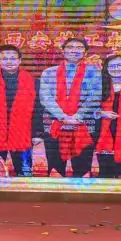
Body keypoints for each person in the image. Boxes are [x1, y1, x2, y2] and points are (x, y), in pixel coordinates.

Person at [0, 45, 42, 176]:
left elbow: (37, 110)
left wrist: (37, 134)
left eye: (13, 58)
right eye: (4, 59)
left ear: (20, 60)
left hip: (22, 134)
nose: (9, 62)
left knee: (25, 174)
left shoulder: (33, 82)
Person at [39, 37, 101, 177]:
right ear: (63, 51)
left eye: (79, 48)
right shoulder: (49, 72)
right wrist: (63, 117)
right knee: (55, 170)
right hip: (54, 126)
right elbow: (45, 97)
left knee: (83, 171)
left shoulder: (94, 72)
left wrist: (78, 116)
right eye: (70, 47)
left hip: (84, 126)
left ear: (85, 52)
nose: (74, 50)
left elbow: (95, 97)